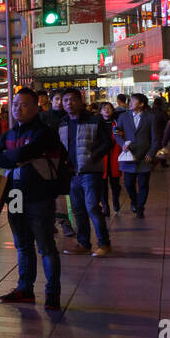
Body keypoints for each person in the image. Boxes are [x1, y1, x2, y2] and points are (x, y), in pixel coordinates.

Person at [0, 88, 66, 311]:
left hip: (40, 195)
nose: (17, 108)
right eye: (15, 104)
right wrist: (14, 157)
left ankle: (52, 294)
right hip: (14, 194)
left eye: (24, 104)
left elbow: (18, 155)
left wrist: (13, 157)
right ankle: (25, 289)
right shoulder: (9, 134)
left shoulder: (44, 132)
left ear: (36, 107)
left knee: (45, 246)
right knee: (22, 244)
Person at [59, 88, 113, 257]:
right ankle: (83, 243)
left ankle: (104, 244)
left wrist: (93, 156)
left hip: (91, 171)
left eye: (73, 99)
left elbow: (107, 143)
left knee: (92, 208)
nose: (69, 103)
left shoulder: (95, 120)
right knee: (78, 210)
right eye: (65, 100)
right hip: (72, 172)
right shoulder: (63, 123)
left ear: (80, 101)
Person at [114, 93, 159, 218]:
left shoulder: (151, 117)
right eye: (130, 101)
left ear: (141, 104)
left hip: (145, 156)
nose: (130, 103)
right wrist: (122, 144)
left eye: (133, 101)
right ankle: (134, 201)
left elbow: (156, 138)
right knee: (128, 184)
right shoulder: (123, 116)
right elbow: (116, 133)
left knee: (144, 184)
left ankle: (140, 207)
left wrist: (151, 153)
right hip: (129, 156)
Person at [98, 101, 124, 215]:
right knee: (102, 184)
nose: (106, 110)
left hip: (114, 156)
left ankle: (115, 201)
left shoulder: (117, 123)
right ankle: (105, 205)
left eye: (109, 108)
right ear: (100, 111)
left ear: (113, 110)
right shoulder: (97, 124)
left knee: (115, 182)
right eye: (104, 108)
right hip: (102, 157)